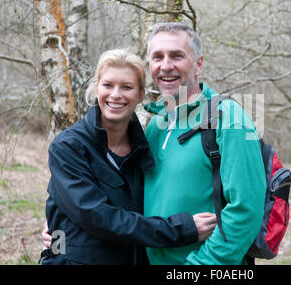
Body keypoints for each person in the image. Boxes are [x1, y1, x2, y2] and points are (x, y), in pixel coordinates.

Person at [39, 49, 216, 265]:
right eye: (108, 85)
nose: (115, 94)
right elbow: (95, 215)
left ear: (141, 94)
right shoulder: (68, 146)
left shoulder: (146, 145)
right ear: (96, 89)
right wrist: (181, 229)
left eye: (127, 87)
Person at [143, 22, 266, 265]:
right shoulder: (154, 125)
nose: (166, 66)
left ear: (199, 64)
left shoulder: (228, 117)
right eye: (158, 57)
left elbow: (246, 209)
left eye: (177, 56)